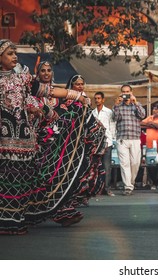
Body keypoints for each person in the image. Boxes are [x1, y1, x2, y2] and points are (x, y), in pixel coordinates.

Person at [0, 40, 96, 234]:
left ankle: (16, 220)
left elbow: (47, 91)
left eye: (15, 53)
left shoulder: (23, 79)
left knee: (21, 181)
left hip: (24, 141)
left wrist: (76, 96)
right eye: (10, 53)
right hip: (3, 141)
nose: (14, 57)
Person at [112, 84, 146, 196]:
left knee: (135, 163)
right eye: (123, 92)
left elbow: (142, 115)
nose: (126, 94)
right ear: (121, 93)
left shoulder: (137, 104)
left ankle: (130, 182)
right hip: (122, 138)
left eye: (128, 91)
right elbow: (115, 118)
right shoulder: (118, 105)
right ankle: (128, 187)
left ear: (131, 92)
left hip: (135, 138)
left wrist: (135, 102)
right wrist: (116, 105)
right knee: (124, 163)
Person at [93, 91, 116, 196]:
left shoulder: (108, 112)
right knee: (96, 166)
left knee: (107, 166)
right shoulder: (92, 112)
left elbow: (112, 127)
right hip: (95, 143)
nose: (97, 100)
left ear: (103, 99)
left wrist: (111, 140)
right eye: (96, 98)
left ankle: (107, 188)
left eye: (99, 98)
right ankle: (97, 189)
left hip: (107, 141)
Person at [141, 103, 158, 191]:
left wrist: (151, 124)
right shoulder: (150, 117)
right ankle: (153, 182)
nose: (155, 111)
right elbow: (141, 124)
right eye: (154, 109)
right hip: (149, 145)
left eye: (157, 109)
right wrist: (151, 124)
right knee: (150, 164)